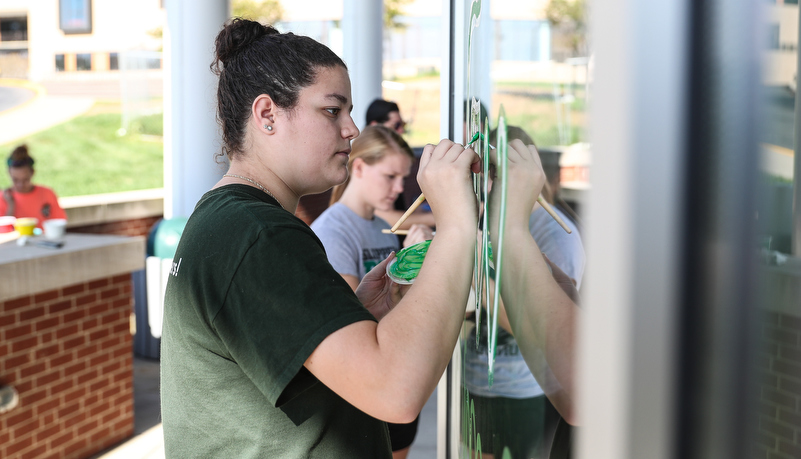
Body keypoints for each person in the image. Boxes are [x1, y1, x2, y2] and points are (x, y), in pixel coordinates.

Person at [160, 18, 482, 458]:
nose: (351, 129)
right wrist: (459, 224)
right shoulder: (258, 234)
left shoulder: (230, 220)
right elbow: (396, 390)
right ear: (267, 114)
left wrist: (352, 315)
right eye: (333, 110)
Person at [310, 125, 433, 458]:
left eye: (402, 179)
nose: (398, 188)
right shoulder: (333, 231)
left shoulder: (379, 225)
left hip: (393, 376)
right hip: (364, 393)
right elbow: (354, 325)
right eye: (390, 176)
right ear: (359, 167)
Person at [1, 144, 67, 228]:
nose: (20, 185)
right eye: (15, 180)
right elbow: (3, 231)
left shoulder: (47, 193)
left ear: (32, 173)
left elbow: (59, 222)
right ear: (9, 173)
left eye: (25, 179)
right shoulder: (3, 197)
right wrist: (11, 206)